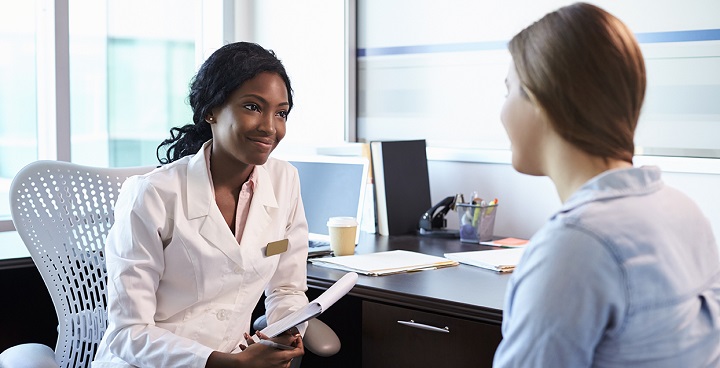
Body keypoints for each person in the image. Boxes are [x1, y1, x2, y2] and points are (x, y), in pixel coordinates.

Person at [493, 3, 720, 367]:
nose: (502, 111)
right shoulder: (683, 211)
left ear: (545, 99)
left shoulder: (574, 247)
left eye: (509, 91)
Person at [93, 42, 309, 368]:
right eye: (252, 107)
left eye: (280, 113)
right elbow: (128, 333)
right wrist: (226, 364)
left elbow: (288, 288)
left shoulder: (285, 181)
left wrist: (286, 330)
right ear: (211, 111)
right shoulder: (152, 195)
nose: (269, 127)